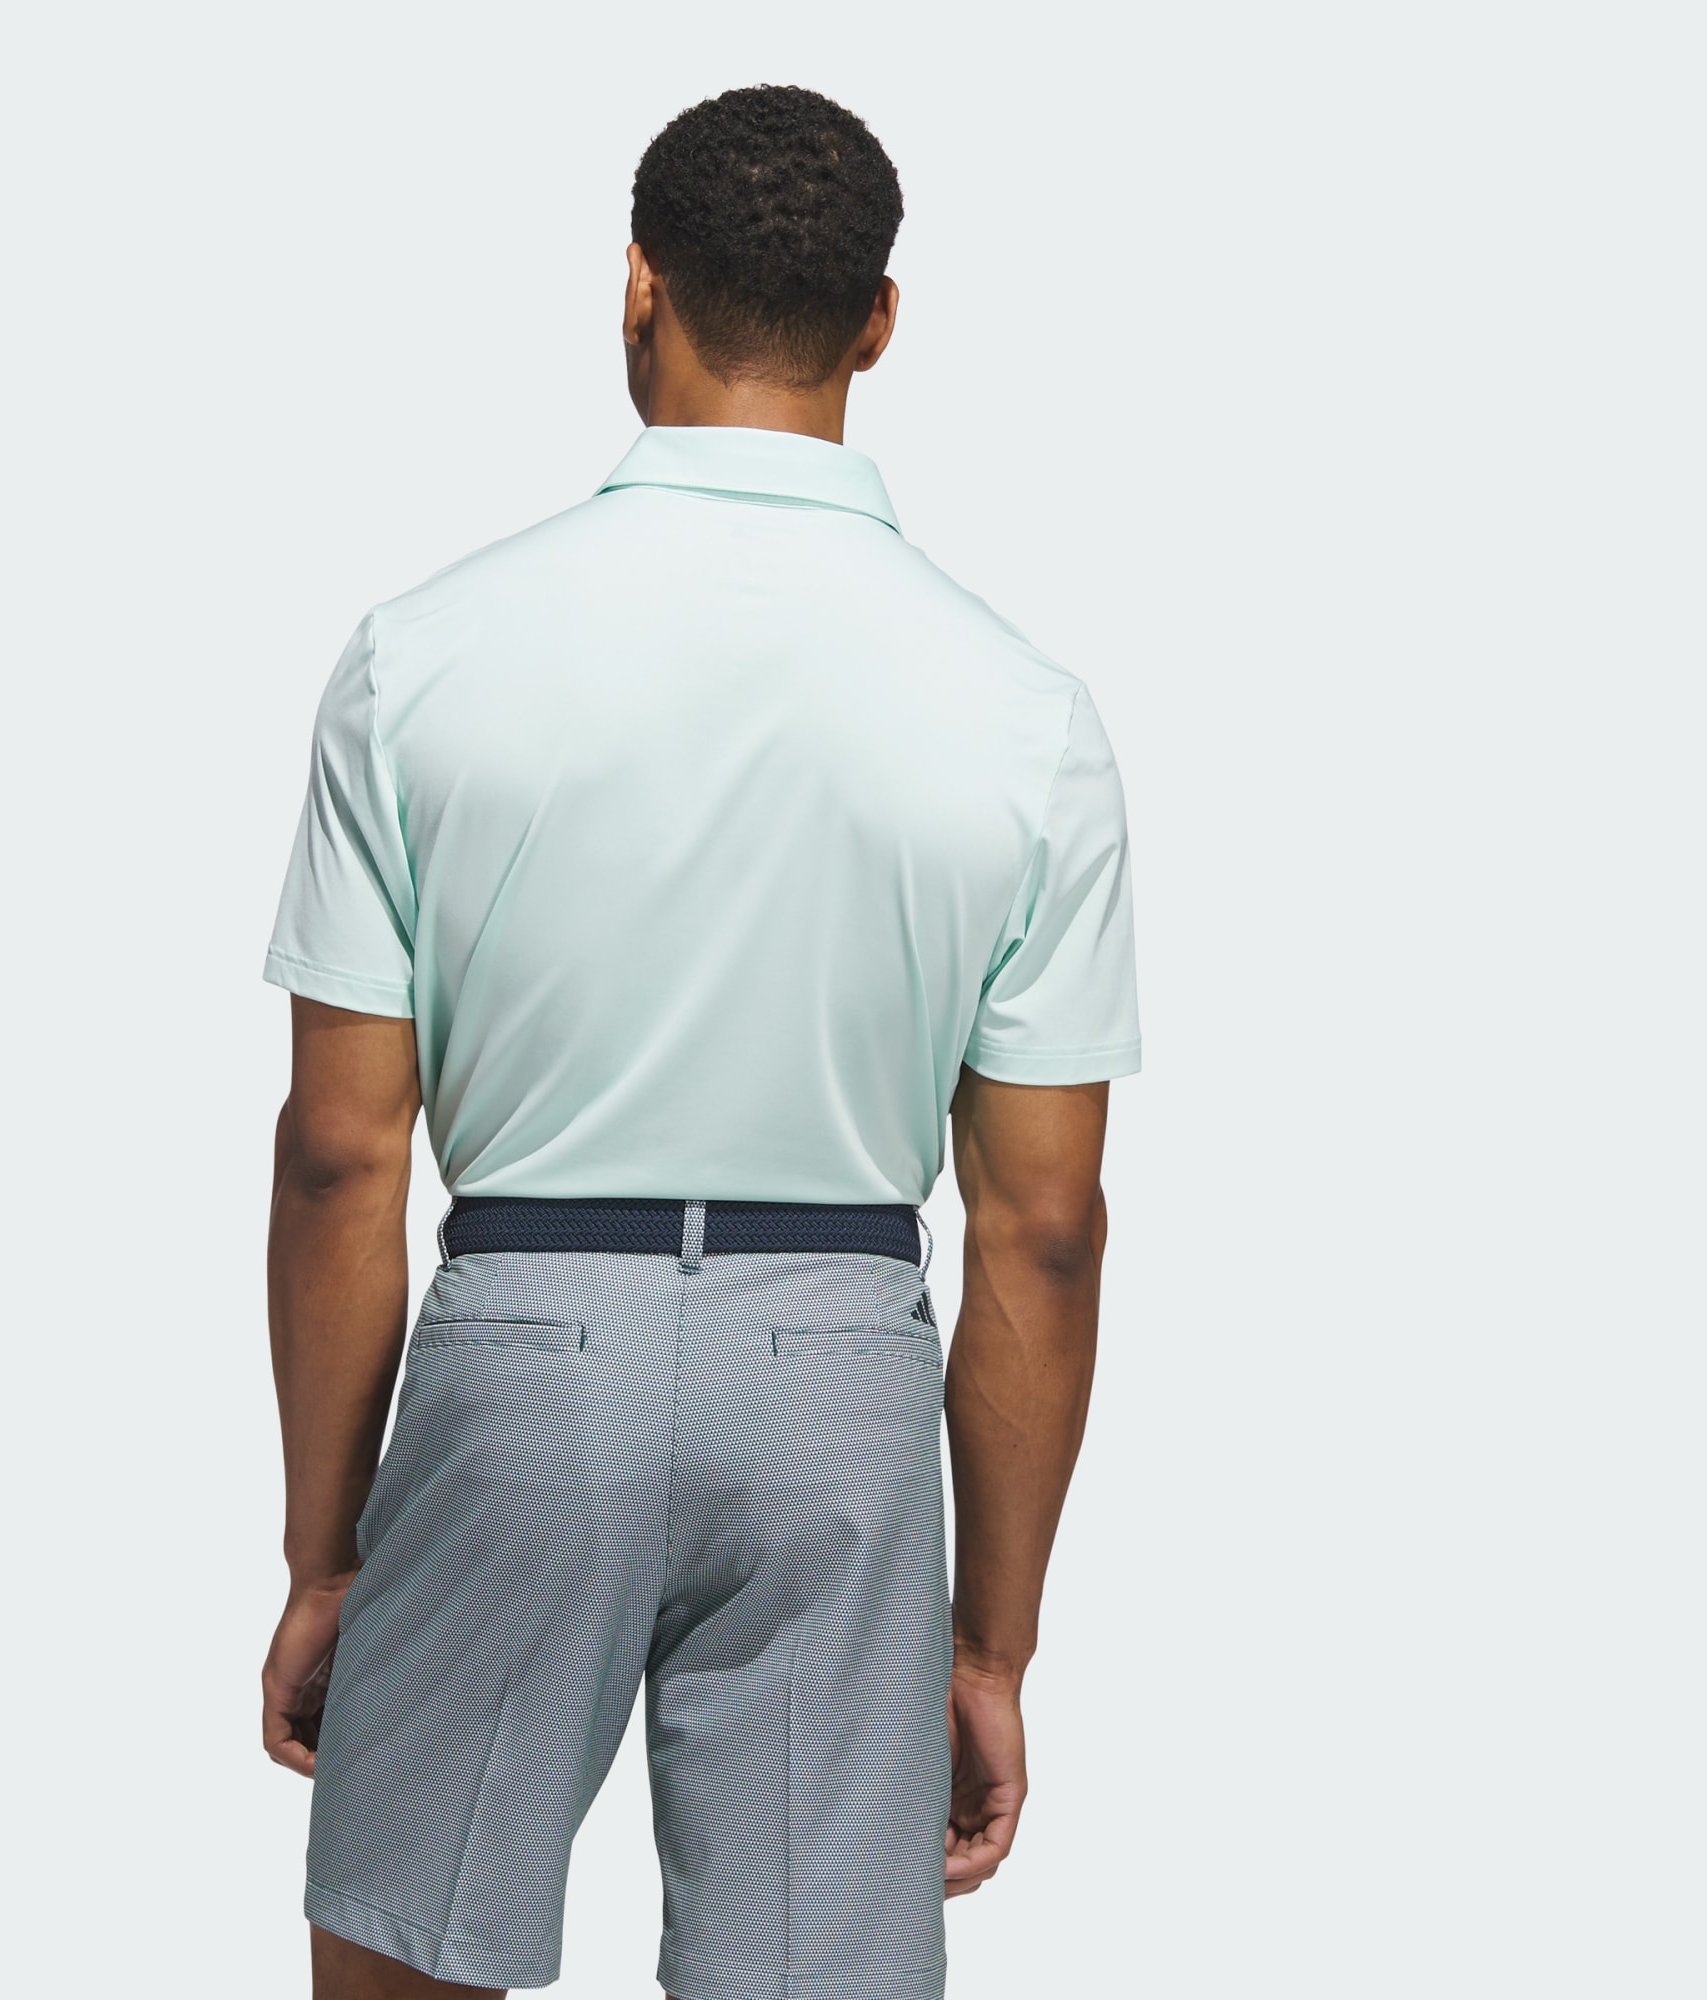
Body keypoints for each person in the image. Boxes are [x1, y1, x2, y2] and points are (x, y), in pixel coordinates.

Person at [260, 83, 1139, 2000]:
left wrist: (329, 1559)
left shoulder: (424, 656)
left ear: (636, 289)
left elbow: (340, 1152)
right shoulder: (1025, 714)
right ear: (878, 322)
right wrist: (988, 1645)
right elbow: (1044, 1228)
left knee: (406, 1964)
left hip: (526, 1354)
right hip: (838, 1370)